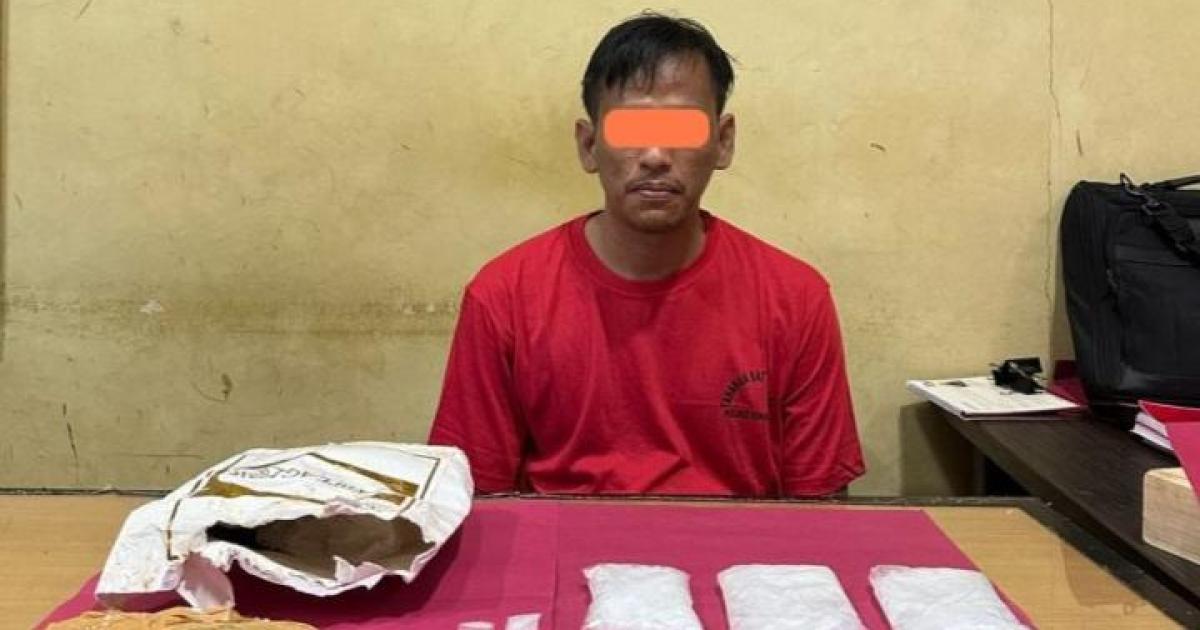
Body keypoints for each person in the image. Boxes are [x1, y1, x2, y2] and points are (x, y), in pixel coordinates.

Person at [428, 12, 865, 497]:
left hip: (740, 546)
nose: (656, 156)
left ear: (723, 142)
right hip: (562, 542)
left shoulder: (796, 298)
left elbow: (820, 504)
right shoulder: (504, 296)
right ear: (589, 146)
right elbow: (477, 496)